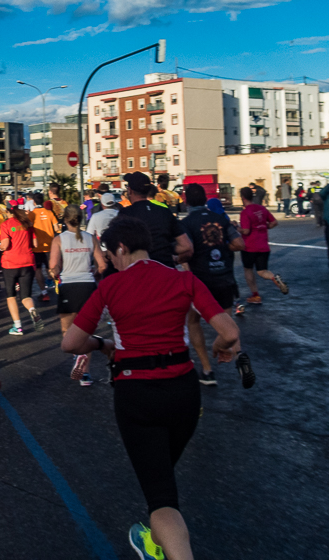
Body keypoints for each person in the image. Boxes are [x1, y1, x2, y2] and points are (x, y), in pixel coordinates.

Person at [61, 216, 243, 560]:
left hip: (136, 392)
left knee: (162, 499)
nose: (111, 261)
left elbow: (70, 344)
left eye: (110, 255)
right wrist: (221, 347)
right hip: (183, 390)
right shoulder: (184, 280)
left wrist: (103, 345)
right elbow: (230, 331)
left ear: (122, 247)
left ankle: (162, 541)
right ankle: (153, 538)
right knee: (161, 476)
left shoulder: (110, 287)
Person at [179, 183, 247, 385]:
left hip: (200, 281)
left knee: (193, 322)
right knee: (227, 322)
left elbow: (187, 252)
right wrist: (220, 245)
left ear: (186, 201)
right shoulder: (220, 220)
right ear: (205, 199)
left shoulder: (187, 223)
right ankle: (241, 360)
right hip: (224, 276)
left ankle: (207, 371)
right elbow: (239, 244)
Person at [49, 205, 107, 386]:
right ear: (81, 219)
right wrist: (95, 275)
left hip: (68, 285)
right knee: (86, 331)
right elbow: (103, 265)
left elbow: (54, 267)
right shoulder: (90, 239)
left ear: (64, 220)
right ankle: (85, 374)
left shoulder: (59, 240)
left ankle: (77, 355)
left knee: (67, 330)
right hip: (87, 286)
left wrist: (54, 272)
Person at [118, 172, 192, 268]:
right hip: (166, 270)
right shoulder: (164, 211)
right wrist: (169, 251)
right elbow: (186, 246)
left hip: (140, 271)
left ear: (130, 190)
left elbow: (120, 248)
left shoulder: (126, 214)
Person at [237, 187, 289, 313]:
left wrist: (236, 228)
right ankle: (273, 278)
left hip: (249, 246)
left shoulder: (245, 212)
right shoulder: (262, 208)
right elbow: (274, 222)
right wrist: (264, 226)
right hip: (264, 246)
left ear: (243, 198)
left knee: (248, 270)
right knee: (262, 271)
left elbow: (246, 230)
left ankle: (255, 295)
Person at [0, 204, 44, 335]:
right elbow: (35, 244)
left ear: (8, 212)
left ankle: (18, 326)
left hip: (10, 263)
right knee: (25, 296)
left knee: (11, 295)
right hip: (28, 262)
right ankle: (32, 310)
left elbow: (5, 245)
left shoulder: (6, 224)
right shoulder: (28, 224)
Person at [30, 194, 61, 303]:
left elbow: (28, 228)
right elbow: (57, 228)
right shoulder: (50, 212)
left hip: (37, 246)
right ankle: (54, 283)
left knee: (38, 269)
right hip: (50, 245)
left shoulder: (32, 214)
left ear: (34, 202)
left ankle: (44, 293)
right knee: (51, 267)